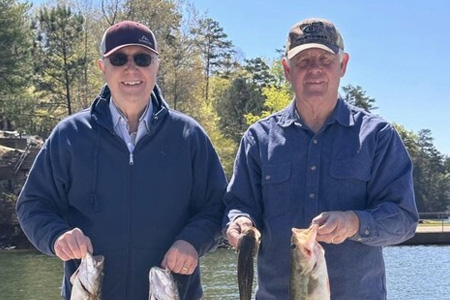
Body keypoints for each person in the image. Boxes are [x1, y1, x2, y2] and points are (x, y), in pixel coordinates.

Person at [16, 20, 227, 300]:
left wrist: (192, 241)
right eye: (118, 59)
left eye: (142, 58)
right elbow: (32, 206)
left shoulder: (190, 136)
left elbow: (216, 207)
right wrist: (56, 236)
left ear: (156, 66)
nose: (131, 69)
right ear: (102, 67)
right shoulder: (68, 135)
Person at [224, 18, 418, 299]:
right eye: (303, 61)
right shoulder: (258, 138)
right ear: (287, 70)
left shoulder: (377, 136)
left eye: (325, 59)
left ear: (343, 65)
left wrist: (354, 223)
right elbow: (238, 204)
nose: (314, 69)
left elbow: (404, 219)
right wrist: (240, 222)